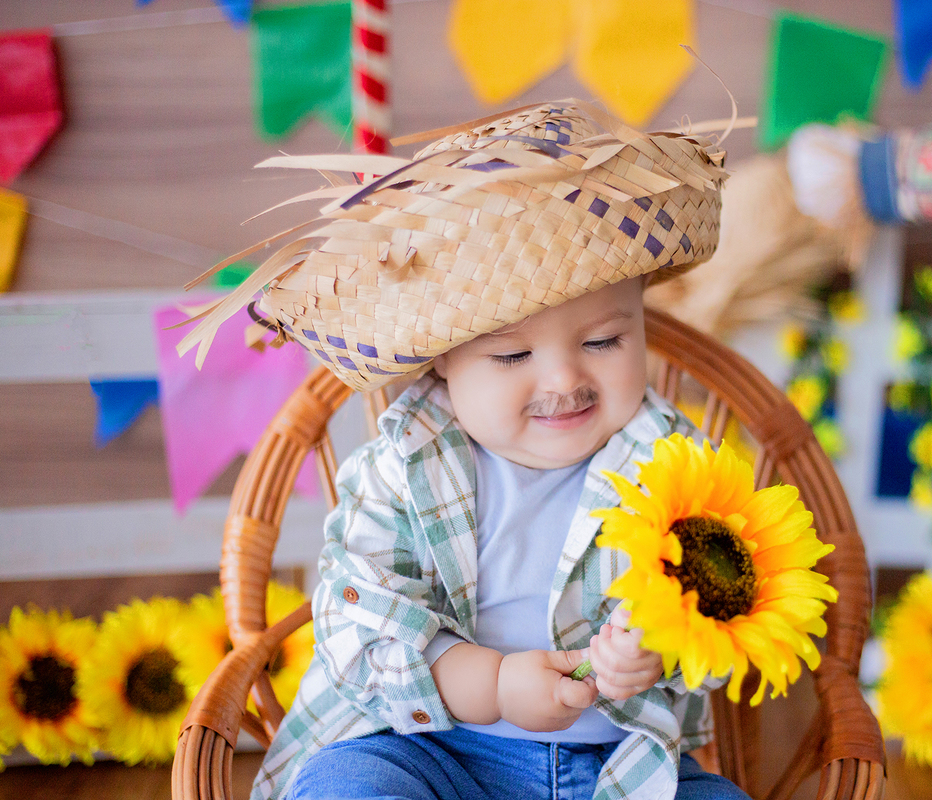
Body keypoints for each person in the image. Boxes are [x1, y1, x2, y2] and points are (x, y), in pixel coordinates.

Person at [183, 104, 744, 800]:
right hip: (429, 751)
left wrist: (666, 648)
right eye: (512, 354)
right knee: (348, 789)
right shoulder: (403, 466)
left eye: (604, 341)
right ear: (439, 363)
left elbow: (740, 611)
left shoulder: (678, 463)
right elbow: (359, 623)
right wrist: (492, 684)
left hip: (621, 770)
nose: (565, 380)